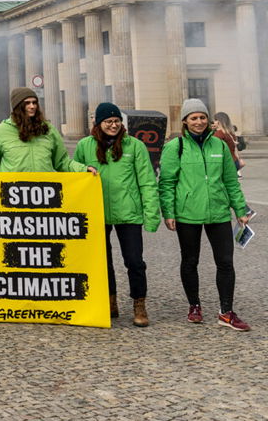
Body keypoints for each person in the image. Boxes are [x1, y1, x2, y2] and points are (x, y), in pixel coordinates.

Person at [158, 98, 253, 331]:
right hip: (187, 213)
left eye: (202, 117)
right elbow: (167, 182)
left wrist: (240, 209)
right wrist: (168, 212)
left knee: (225, 262)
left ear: (207, 120)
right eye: (194, 118)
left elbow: (231, 181)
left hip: (218, 212)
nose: (199, 121)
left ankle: (226, 312)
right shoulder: (175, 147)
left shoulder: (219, 145)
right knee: (190, 261)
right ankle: (194, 306)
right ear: (185, 121)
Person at [72, 103, 159, 326]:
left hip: (128, 211)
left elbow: (148, 181)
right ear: (98, 124)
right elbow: (75, 175)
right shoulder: (85, 146)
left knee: (135, 261)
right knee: (102, 261)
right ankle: (110, 301)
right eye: (108, 121)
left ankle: (139, 303)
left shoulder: (135, 146)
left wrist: (151, 215)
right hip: (97, 211)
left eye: (116, 121)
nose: (113, 125)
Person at [0, 88, 94, 175]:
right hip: (13, 195)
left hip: (44, 194)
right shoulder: (1, 131)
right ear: (18, 106)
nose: (32, 106)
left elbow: (62, 162)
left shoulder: (48, 130)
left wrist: (83, 169)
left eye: (34, 102)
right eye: (27, 103)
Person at [211, 112, 244, 178]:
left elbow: (214, 150)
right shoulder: (231, 133)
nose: (213, 122)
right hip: (235, 162)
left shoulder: (219, 134)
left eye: (215, 120)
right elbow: (235, 149)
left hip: (225, 163)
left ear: (218, 121)